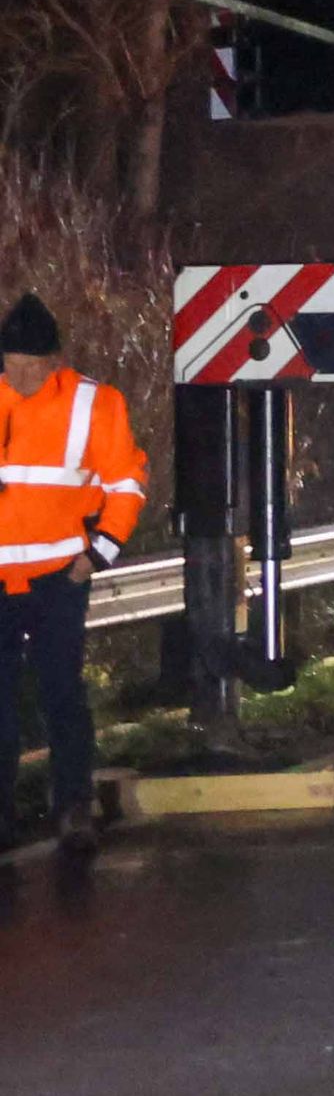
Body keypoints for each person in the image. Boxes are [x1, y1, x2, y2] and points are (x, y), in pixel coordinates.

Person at [0, 292, 140, 855]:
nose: (22, 376)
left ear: (55, 361)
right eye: (11, 365)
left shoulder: (95, 405)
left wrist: (100, 553)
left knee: (61, 690)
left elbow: (125, 482)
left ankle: (73, 804)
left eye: (32, 366)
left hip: (60, 574)